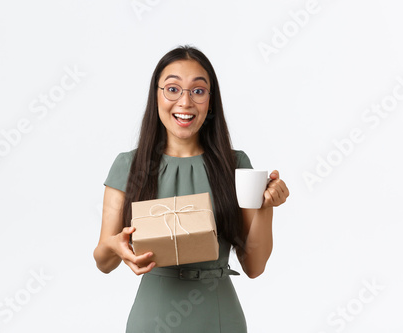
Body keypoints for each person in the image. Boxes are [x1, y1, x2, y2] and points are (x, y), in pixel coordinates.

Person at [93, 45, 289, 332]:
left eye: (198, 91)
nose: (185, 102)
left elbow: (254, 267)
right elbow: (103, 261)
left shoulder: (236, 165)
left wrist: (266, 207)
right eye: (173, 89)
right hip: (153, 317)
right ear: (156, 95)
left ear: (210, 101)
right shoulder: (129, 166)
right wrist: (113, 245)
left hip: (220, 317)